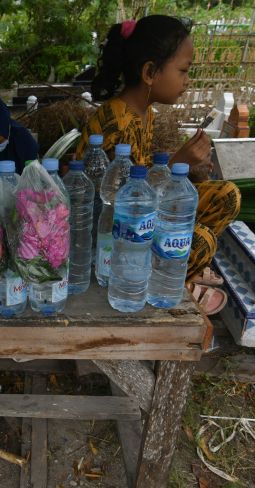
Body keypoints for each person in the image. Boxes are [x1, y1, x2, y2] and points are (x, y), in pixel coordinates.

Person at [75, 15, 240, 310]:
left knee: (226, 195)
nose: (187, 82)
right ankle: (160, 281)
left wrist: (186, 174)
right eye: (183, 71)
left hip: (142, 221)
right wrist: (179, 163)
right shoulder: (114, 119)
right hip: (115, 238)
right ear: (150, 72)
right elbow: (119, 202)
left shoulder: (144, 113)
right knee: (200, 240)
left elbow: (143, 177)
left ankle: (171, 276)